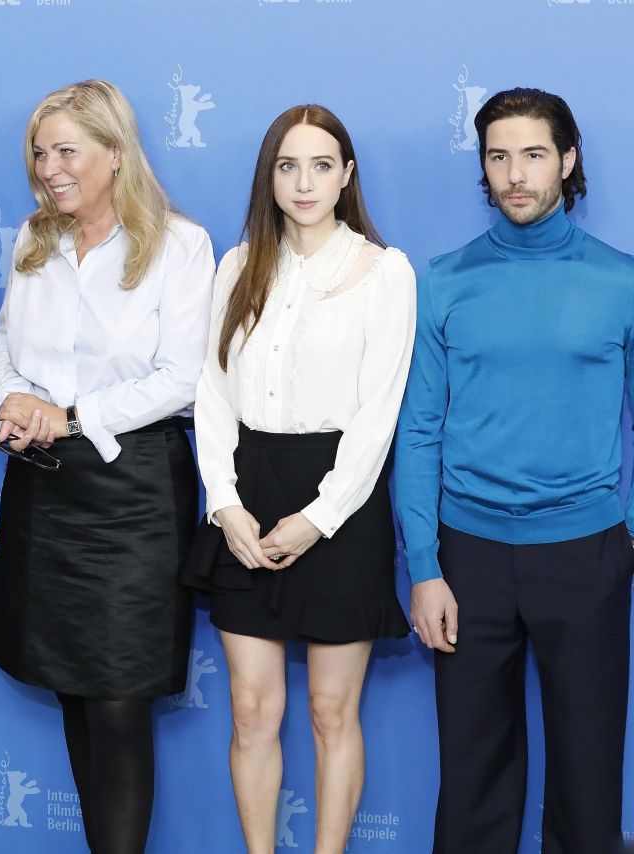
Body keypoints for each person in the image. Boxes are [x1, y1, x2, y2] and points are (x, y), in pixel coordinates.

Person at [395, 88, 634, 854]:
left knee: (589, 776)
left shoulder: (621, 281)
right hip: (469, 559)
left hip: (588, 551)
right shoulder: (445, 279)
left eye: (533, 154)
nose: (515, 175)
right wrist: (426, 567)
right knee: (472, 781)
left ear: (567, 161)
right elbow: (420, 432)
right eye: (498, 156)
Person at [0, 79, 214, 854]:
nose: (50, 167)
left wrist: (72, 419)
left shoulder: (180, 244)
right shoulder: (31, 239)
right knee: (76, 695)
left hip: (133, 496)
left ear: (115, 154)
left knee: (118, 703)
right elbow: (4, 352)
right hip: (44, 491)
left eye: (67, 150)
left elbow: (182, 378)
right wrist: (11, 405)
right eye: (40, 153)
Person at [182, 105, 414, 854]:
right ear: (269, 177)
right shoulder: (238, 264)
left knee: (328, 710)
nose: (304, 182)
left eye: (321, 166)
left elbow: (378, 416)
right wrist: (223, 503)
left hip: (342, 500)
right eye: (288, 166)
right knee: (251, 707)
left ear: (347, 175)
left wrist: (318, 517)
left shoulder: (385, 271)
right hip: (248, 490)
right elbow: (212, 397)